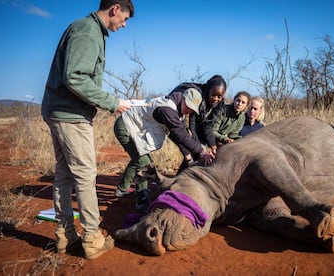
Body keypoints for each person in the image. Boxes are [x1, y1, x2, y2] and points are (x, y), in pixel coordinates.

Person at [41, 0, 135, 260]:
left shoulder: (84, 29)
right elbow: (75, 77)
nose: (124, 25)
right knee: (85, 175)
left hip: (59, 110)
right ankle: (92, 238)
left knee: (64, 174)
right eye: (125, 18)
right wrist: (112, 102)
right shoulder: (88, 31)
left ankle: (65, 235)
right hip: (71, 115)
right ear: (115, 9)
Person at [113, 88, 214, 212]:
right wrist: (202, 151)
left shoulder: (178, 111)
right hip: (126, 126)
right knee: (144, 162)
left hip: (136, 128)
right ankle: (142, 201)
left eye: (191, 110)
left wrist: (189, 159)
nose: (188, 111)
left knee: (138, 158)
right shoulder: (168, 110)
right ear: (183, 99)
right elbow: (180, 135)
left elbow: (179, 137)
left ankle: (122, 190)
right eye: (188, 107)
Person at [171, 75, 227, 170]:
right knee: (191, 151)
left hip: (188, 123)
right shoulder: (196, 96)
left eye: (219, 96)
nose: (216, 99)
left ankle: (183, 178)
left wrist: (212, 145)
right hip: (175, 118)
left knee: (196, 152)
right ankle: (181, 180)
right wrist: (200, 148)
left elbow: (207, 125)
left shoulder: (217, 105)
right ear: (208, 90)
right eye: (213, 95)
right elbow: (190, 126)